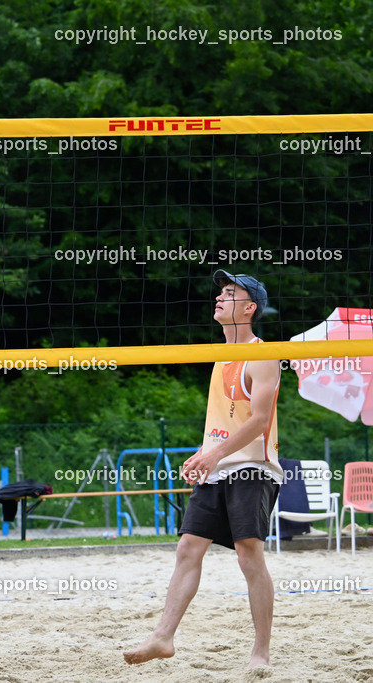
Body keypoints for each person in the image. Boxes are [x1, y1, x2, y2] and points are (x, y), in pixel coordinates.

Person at [125, 271, 283, 669]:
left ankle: (260, 652)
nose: (219, 298)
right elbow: (225, 419)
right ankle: (163, 637)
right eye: (220, 293)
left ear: (249, 308)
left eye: (230, 294)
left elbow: (259, 420)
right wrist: (203, 454)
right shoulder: (220, 355)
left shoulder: (264, 355)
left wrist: (215, 455)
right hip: (218, 465)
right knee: (187, 548)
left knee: (249, 556)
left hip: (253, 467)